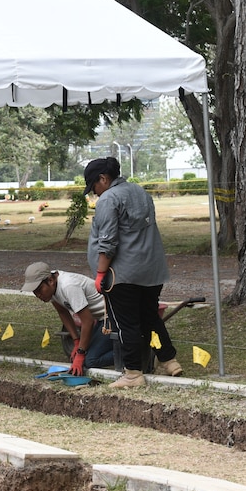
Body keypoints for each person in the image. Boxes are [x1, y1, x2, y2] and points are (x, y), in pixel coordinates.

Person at [84, 156, 183, 388]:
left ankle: (133, 373)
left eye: (94, 186)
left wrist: (100, 274)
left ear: (103, 178)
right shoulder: (140, 192)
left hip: (124, 273)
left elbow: (107, 241)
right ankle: (169, 360)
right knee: (150, 317)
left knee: (127, 324)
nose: (95, 193)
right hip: (151, 269)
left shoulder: (109, 199)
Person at [21, 262, 113, 376]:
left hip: (113, 317)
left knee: (90, 360)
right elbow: (62, 312)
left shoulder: (68, 286)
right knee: (84, 353)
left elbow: (88, 322)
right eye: (34, 292)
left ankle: (134, 351)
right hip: (101, 319)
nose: (37, 295)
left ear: (50, 281)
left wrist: (80, 353)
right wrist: (76, 341)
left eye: (39, 289)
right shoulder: (52, 287)